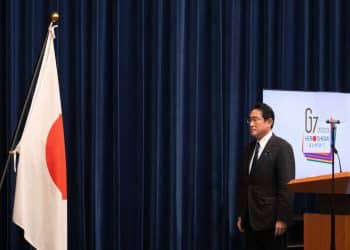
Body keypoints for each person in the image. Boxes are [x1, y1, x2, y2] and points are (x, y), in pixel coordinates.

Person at [236, 103, 295, 250]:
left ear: (269, 122)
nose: (251, 124)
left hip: (271, 222)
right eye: (250, 120)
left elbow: (286, 186)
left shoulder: (282, 147)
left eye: (256, 119)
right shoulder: (249, 148)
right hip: (250, 221)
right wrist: (242, 214)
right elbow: (245, 184)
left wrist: (282, 218)